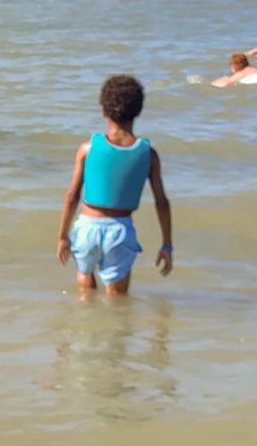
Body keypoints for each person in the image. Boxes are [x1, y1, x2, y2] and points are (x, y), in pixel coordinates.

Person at [56, 73, 173, 297]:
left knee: (84, 275)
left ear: (103, 110)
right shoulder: (148, 154)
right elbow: (162, 202)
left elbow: (72, 195)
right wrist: (167, 245)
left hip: (87, 226)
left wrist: (62, 236)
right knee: (118, 297)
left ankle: (86, 321)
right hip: (120, 230)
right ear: (139, 110)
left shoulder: (87, 149)